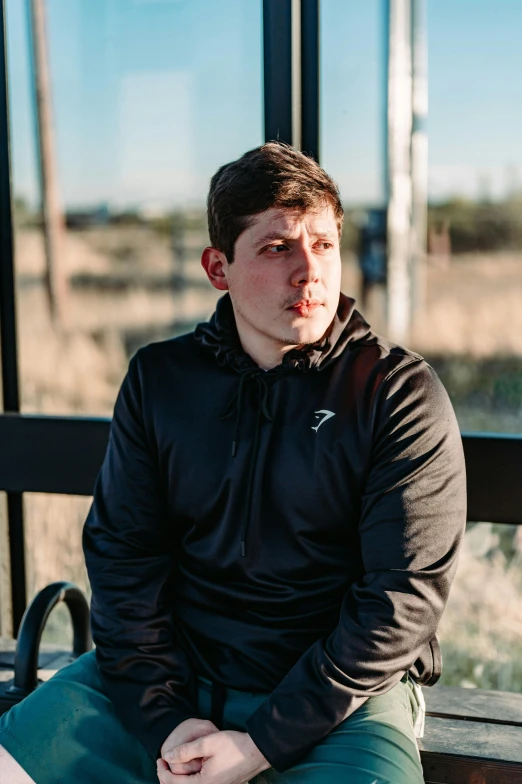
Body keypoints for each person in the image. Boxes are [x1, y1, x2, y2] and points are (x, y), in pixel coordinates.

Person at [0, 142, 466, 784]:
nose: (309, 272)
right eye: (278, 248)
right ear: (218, 267)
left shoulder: (396, 392)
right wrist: (165, 720)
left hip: (339, 698)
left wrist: (259, 746)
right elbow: (123, 555)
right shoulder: (161, 380)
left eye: (324, 244)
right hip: (170, 676)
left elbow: (403, 599)